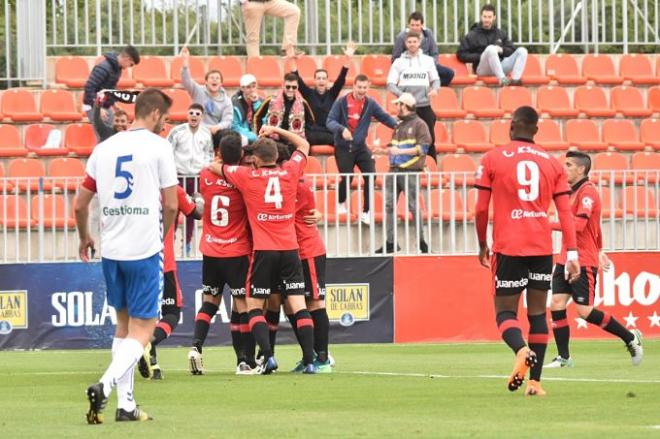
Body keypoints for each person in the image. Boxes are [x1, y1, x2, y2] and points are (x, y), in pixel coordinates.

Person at [75, 88, 178, 423]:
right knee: (144, 328)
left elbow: (80, 204)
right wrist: (163, 236)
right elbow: (173, 203)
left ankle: (126, 405)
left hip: (112, 250)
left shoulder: (103, 149)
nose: (165, 124)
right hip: (144, 249)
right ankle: (104, 386)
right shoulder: (160, 146)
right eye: (164, 118)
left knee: (123, 327)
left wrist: (84, 237)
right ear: (155, 114)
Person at [474, 106, 580, 397]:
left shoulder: (493, 158)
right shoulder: (552, 163)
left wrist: (482, 243)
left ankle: (521, 350)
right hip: (541, 246)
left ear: (511, 127)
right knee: (536, 314)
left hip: (509, 246)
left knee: (505, 311)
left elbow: (481, 207)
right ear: (536, 130)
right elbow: (566, 212)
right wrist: (572, 254)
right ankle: (535, 383)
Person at [208, 126, 317, 374]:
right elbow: (304, 146)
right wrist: (278, 129)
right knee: (299, 306)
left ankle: (267, 357)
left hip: (264, 251)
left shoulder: (247, 176)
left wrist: (230, 161)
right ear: (277, 158)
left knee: (254, 305)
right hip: (290, 249)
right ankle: (310, 361)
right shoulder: (290, 170)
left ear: (256, 159)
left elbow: (215, 167)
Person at [545, 151, 643, 369]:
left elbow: (579, 226)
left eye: (569, 165)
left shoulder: (588, 193)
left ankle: (630, 338)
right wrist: (601, 248)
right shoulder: (570, 191)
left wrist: (546, 224)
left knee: (585, 311)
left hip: (583, 260)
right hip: (565, 258)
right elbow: (595, 226)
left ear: (581, 169)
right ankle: (564, 358)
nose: (564, 168)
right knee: (556, 304)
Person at [188, 132, 257, 376]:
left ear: (218, 151)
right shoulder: (243, 178)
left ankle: (196, 347)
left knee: (210, 303)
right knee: (243, 306)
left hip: (211, 249)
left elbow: (211, 171)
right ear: (239, 154)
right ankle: (243, 361)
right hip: (236, 250)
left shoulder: (206, 175)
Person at [139, 185, 203, 380]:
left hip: (135, 259)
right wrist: (199, 198)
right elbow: (197, 213)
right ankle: (148, 342)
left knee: (145, 314)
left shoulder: (135, 188)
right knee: (172, 313)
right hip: (162, 263)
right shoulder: (171, 188)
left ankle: (154, 365)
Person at [327, 74, 398, 224]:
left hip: (360, 147)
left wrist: (399, 126)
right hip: (343, 147)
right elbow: (330, 121)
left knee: (371, 175)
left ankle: (366, 211)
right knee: (347, 176)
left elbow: (384, 117)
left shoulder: (370, 103)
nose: (362, 90)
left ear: (368, 87)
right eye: (359, 87)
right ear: (353, 86)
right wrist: (341, 129)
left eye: (365, 87)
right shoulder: (341, 102)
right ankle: (341, 202)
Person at [374, 93, 431, 254]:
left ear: (404, 106)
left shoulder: (420, 125)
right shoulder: (399, 125)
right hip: (393, 171)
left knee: (414, 206)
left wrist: (399, 150)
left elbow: (423, 148)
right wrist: (384, 151)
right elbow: (395, 148)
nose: (396, 107)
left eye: (398, 104)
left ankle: (421, 242)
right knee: (389, 206)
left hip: (410, 172)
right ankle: (391, 242)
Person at [289, 42, 357, 146]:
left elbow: (341, 78)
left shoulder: (332, 94)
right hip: (312, 134)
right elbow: (296, 77)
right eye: (318, 78)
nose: (321, 81)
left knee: (345, 143)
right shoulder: (308, 93)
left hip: (328, 133)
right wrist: (291, 59)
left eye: (324, 78)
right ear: (315, 80)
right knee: (302, 143)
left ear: (327, 81)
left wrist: (348, 59)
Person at [168, 103, 214, 254]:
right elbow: (167, 151)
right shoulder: (177, 131)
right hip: (178, 177)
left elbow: (209, 154)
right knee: (173, 210)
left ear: (201, 117)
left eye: (197, 114)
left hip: (195, 178)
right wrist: (171, 171)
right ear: (187, 115)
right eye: (191, 113)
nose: (194, 116)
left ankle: (187, 245)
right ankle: (170, 242)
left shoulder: (206, 133)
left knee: (192, 211)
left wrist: (203, 169)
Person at [387, 31, 440, 160]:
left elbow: (436, 80)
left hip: (424, 105)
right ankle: (403, 165)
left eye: (414, 42)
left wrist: (435, 89)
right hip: (406, 108)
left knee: (429, 139)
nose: (412, 44)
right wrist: (403, 96)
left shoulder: (428, 60)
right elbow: (390, 84)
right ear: (405, 43)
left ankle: (431, 168)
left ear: (419, 42)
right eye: (409, 42)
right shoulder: (398, 62)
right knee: (405, 138)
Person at [457, 4, 528, 86]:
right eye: (485, 16)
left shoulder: (501, 33)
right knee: (491, 49)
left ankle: (515, 81)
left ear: (494, 17)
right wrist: (481, 56)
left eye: (489, 17)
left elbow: (512, 49)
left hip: (501, 66)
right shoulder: (472, 35)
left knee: (522, 51)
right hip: (483, 69)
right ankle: (502, 80)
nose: (487, 19)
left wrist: (501, 50)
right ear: (481, 17)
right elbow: (460, 54)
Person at [180, 47, 233, 146]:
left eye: (217, 78)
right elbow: (186, 81)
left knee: (229, 135)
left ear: (221, 83)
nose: (214, 80)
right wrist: (185, 63)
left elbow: (228, 120)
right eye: (212, 78)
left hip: (216, 131)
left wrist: (217, 127)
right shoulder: (198, 91)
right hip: (199, 129)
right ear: (206, 82)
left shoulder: (226, 100)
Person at [83, 45, 140, 136]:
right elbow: (89, 88)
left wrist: (113, 104)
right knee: (103, 137)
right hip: (93, 104)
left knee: (111, 135)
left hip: (104, 104)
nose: (129, 67)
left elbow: (109, 88)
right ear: (127, 58)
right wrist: (97, 108)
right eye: (131, 64)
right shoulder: (104, 67)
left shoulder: (117, 68)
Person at [391, 11, 454, 87]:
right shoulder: (401, 37)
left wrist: (429, 65)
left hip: (426, 64)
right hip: (409, 67)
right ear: (408, 25)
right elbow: (395, 58)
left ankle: (432, 91)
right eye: (412, 25)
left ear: (422, 25)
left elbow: (434, 53)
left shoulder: (428, 34)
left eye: (417, 25)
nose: (414, 28)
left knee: (449, 73)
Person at [254, 73, 314, 141]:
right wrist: (260, 135)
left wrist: (305, 135)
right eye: (288, 86)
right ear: (283, 85)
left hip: (293, 142)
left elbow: (311, 121)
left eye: (294, 87)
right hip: (273, 140)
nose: (291, 89)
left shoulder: (303, 103)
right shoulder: (271, 100)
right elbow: (257, 116)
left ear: (297, 87)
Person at [232, 74, 264, 146]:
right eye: (248, 87)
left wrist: (256, 103)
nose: (252, 90)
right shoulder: (235, 103)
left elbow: (264, 120)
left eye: (253, 86)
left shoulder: (261, 101)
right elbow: (235, 127)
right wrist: (253, 136)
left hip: (259, 133)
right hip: (243, 136)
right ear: (242, 88)